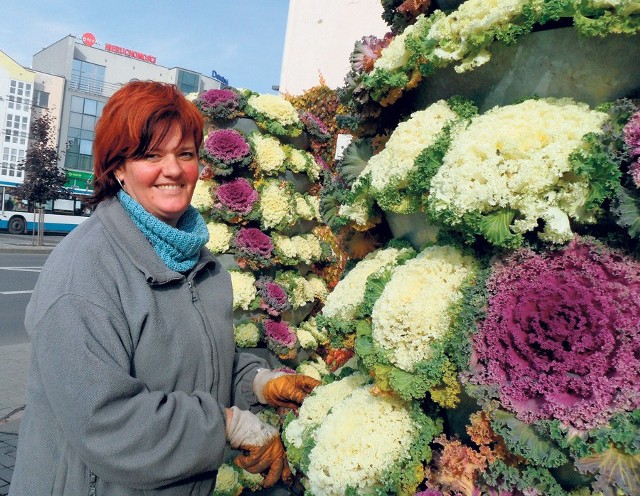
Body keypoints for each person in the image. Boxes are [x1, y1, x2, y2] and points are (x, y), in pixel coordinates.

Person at [10, 81, 320, 495]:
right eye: (150, 155)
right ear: (118, 168)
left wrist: (258, 383)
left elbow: (195, 365)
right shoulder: (84, 273)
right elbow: (107, 423)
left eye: (185, 154)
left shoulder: (201, 263)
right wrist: (226, 426)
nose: (172, 170)